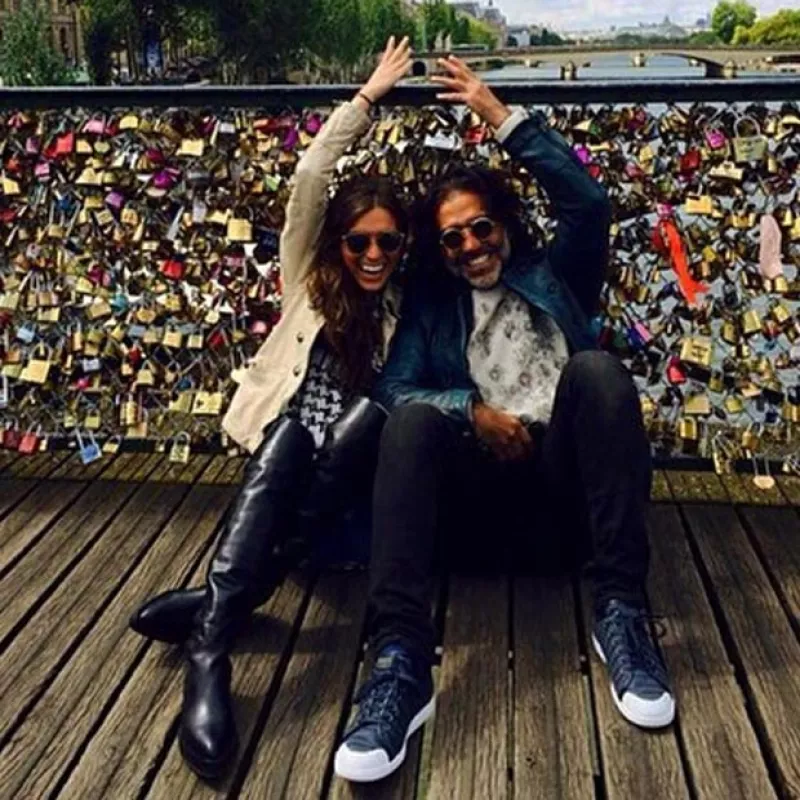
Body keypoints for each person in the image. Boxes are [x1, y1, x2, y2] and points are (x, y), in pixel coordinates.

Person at [333, 57, 675, 784]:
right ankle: (399, 661)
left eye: (479, 227)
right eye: (451, 239)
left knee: (601, 371)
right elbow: (395, 387)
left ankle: (621, 613)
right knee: (411, 421)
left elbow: (588, 204)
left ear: (504, 223)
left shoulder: (558, 273)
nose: (469, 246)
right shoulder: (433, 304)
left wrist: (497, 112)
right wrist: (470, 410)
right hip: (476, 502)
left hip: (563, 502)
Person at [128, 37, 413, 780]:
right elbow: (313, 175)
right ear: (338, 243)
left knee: (364, 423)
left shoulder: (408, 313)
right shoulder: (307, 283)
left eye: (387, 242)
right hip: (278, 483)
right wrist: (367, 97)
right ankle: (211, 655)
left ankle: (216, 609)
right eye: (359, 241)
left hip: (341, 513)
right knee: (287, 436)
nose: (373, 255)